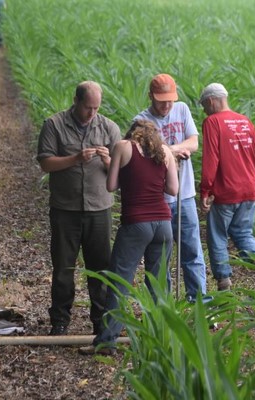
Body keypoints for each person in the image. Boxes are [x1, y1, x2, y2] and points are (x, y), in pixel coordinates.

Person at [79, 119, 178, 355]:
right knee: (159, 283)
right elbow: (173, 190)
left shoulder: (123, 146)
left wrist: (115, 166)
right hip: (164, 224)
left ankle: (107, 342)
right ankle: (159, 337)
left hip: (136, 223)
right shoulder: (165, 151)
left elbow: (112, 185)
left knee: (120, 282)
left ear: (133, 133)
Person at [37, 81, 121, 336]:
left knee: (100, 268)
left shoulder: (109, 127)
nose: (92, 113)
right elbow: (46, 163)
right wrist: (75, 158)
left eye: (96, 108)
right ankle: (60, 320)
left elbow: (120, 173)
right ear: (76, 101)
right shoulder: (54, 125)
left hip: (99, 208)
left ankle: (101, 321)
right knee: (64, 267)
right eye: (87, 107)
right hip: (65, 209)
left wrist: (109, 161)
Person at [133, 73, 207, 302]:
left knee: (192, 250)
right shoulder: (141, 121)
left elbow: (193, 142)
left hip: (184, 195)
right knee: (159, 255)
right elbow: (144, 155)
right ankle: (161, 306)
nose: (167, 105)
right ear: (150, 97)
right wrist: (174, 150)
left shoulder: (182, 110)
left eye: (170, 100)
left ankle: (199, 302)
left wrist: (167, 149)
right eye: (161, 100)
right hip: (158, 199)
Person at [198, 83, 255, 295]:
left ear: (211, 101)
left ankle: (224, 282)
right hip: (249, 189)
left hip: (226, 192)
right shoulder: (245, 121)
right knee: (243, 232)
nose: (204, 110)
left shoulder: (212, 122)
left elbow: (211, 158)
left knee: (217, 235)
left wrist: (205, 189)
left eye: (204, 105)